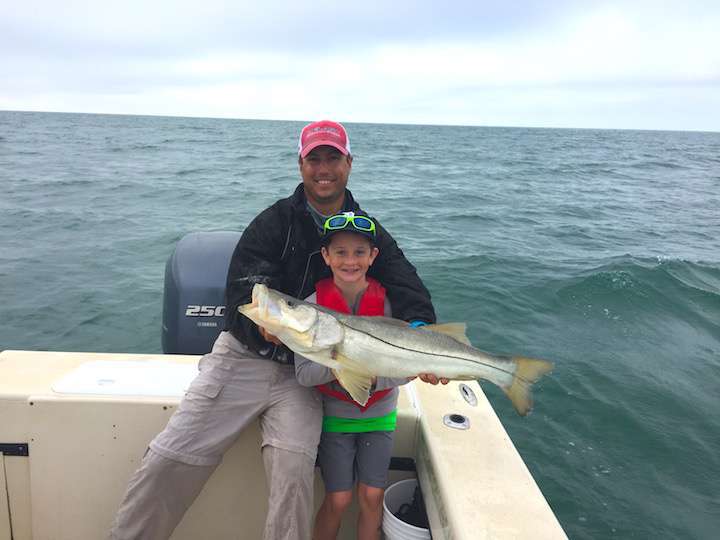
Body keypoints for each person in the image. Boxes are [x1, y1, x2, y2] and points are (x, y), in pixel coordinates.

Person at [109, 120, 441, 540]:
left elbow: (409, 289)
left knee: (294, 473)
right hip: (243, 357)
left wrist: (422, 339)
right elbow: (241, 290)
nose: (324, 168)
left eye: (333, 158)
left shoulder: (367, 232)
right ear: (300, 165)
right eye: (314, 158)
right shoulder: (272, 222)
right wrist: (262, 324)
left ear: (349, 164)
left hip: (306, 375)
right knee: (172, 456)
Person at [295, 212, 414, 540]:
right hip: (335, 418)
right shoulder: (310, 308)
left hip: (380, 414)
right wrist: (342, 362)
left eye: (360, 252)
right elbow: (304, 374)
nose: (350, 261)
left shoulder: (389, 305)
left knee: (372, 496)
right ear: (326, 256)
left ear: (374, 256)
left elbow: (406, 369)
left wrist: (373, 379)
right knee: (339, 498)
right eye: (341, 252)